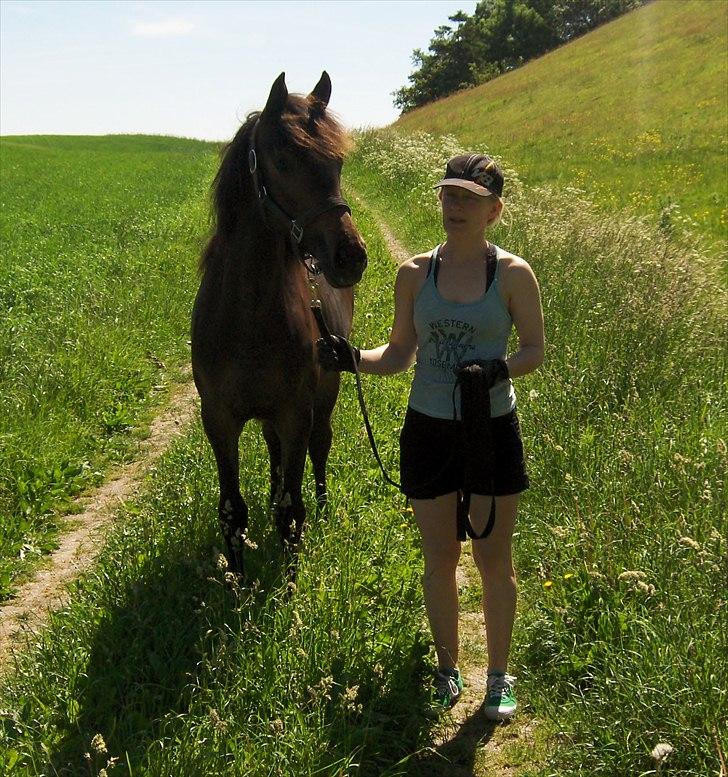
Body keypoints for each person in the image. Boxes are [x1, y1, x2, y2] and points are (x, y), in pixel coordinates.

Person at [317, 153, 544, 719]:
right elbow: (398, 355)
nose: (456, 206)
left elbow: (534, 350)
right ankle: (448, 673)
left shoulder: (513, 274)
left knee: (496, 559)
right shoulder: (415, 274)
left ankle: (497, 677)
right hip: (428, 429)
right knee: (439, 557)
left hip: (490, 428)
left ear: (495, 210)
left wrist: (499, 370)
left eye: (469, 198)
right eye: (449, 195)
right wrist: (351, 359)